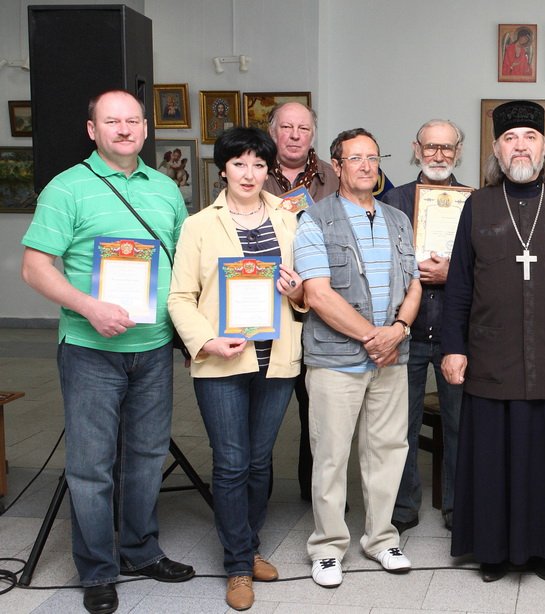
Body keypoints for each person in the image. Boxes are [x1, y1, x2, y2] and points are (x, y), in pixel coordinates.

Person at [20, 89, 193, 614]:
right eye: (112, 121)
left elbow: (184, 263)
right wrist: (89, 306)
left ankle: (140, 551)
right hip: (91, 350)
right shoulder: (67, 188)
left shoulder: (165, 188)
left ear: (145, 128)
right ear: (93, 130)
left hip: (154, 348)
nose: (124, 129)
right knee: (92, 466)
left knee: (146, 458)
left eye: (133, 120)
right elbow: (35, 268)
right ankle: (97, 570)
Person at [441, 100, 545, 583]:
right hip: (492, 352)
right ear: (496, 149)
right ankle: (492, 550)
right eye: (510, 139)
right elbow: (459, 283)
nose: (520, 147)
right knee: (493, 457)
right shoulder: (478, 204)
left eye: (530, 137)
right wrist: (453, 346)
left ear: (544, 145)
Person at [168, 127, 304, 610]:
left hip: (276, 357)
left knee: (260, 461)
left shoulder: (291, 218)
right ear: (223, 169)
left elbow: (308, 289)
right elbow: (180, 297)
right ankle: (238, 565)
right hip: (222, 357)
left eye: (259, 165)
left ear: (270, 170)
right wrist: (205, 340)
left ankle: (249, 544)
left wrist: (298, 292)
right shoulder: (199, 225)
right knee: (230, 462)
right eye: (239, 164)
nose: (249, 174)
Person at [295, 128, 422, 587]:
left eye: (373, 157)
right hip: (336, 360)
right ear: (337, 166)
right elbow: (317, 294)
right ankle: (327, 548)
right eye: (355, 158)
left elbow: (414, 284)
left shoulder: (397, 219)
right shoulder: (314, 219)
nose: (366, 166)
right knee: (330, 455)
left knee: (388, 450)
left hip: (392, 358)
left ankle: (381, 539)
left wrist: (399, 331)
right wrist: (374, 337)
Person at [381, 119, 469, 533]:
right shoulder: (392, 200)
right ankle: (403, 507)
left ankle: (458, 505)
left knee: (460, 423)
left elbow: (487, 265)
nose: (438, 155)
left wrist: (453, 273)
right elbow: (380, 263)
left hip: (457, 332)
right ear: (416, 149)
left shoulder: (475, 202)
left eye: (447, 148)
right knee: (401, 424)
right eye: (431, 147)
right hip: (406, 330)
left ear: (458, 152)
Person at [262, 101, 340, 502]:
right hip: (266, 310)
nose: (295, 136)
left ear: (313, 134)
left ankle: (317, 495)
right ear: (272, 131)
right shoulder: (253, 171)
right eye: (287, 127)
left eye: (303, 128)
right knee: (263, 410)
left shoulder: (335, 176)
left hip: (322, 310)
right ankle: (256, 497)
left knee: (318, 411)